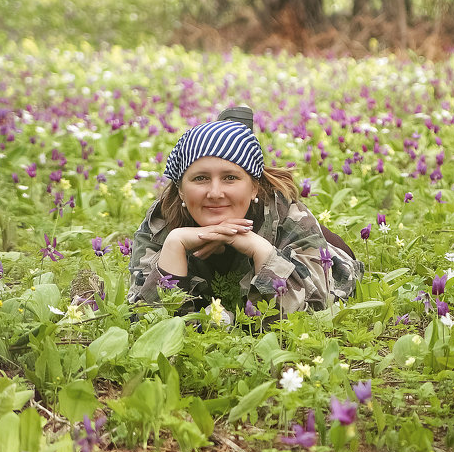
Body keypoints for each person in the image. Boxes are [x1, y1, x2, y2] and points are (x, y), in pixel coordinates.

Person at [128, 108, 362, 317]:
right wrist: (175, 244)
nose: (215, 193)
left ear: (254, 187)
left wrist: (258, 248)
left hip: (329, 261)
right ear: (180, 190)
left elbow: (309, 311)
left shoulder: (288, 216)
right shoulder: (162, 223)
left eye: (230, 178)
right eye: (200, 178)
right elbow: (145, 319)